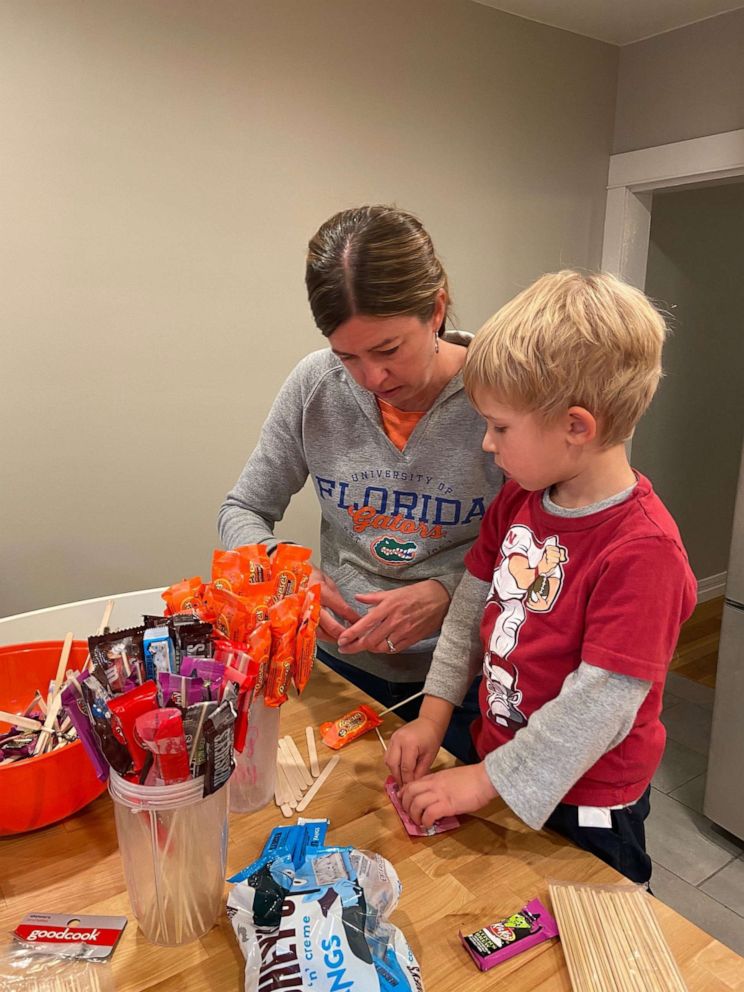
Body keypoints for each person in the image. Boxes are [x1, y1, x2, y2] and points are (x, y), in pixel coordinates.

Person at [386, 270, 697, 885]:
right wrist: (433, 714)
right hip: (499, 762)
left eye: (500, 427)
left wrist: (482, 780)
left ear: (576, 427)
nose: (486, 443)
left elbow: (599, 708)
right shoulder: (521, 500)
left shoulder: (644, 552)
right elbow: (468, 616)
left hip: (588, 805)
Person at [218, 205, 503, 760]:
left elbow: (540, 554)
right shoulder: (315, 386)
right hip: (342, 668)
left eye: (389, 350)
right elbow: (242, 509)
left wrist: (448, 595)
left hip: (469, 679)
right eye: (346, 355)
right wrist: (284, 567)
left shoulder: (500, 394)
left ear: (437, 310)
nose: (372, 378)